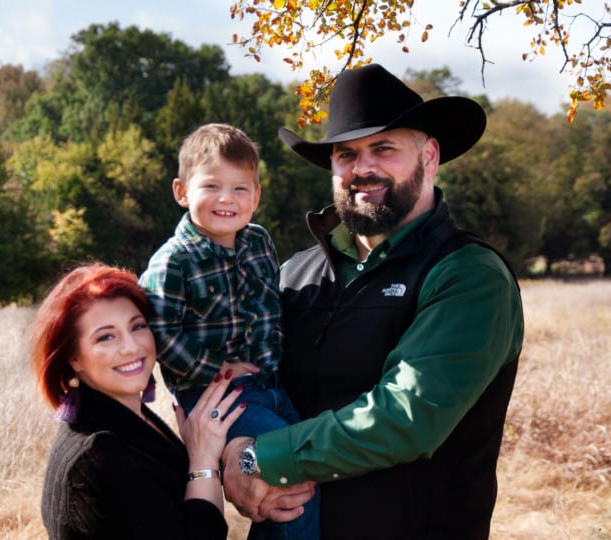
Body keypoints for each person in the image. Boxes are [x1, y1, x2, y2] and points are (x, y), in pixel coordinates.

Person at [220, 63, 525, 539]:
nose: (363, 169)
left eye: (384, 148)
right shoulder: (292, 275)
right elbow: (239, 378)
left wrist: (262, 459)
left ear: (429, 155)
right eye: (346, 154)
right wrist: (226, 452)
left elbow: (404, 417)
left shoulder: (467, 275)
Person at [139, 123, 319, 539]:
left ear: (256, 196)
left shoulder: (258, 242)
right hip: (217, 396)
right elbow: (160, 331)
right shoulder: (174, 261)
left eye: (241, 189)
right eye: (212, 186)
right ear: (182, 192)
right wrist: (217, 367)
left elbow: (272, 309)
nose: (227, 199)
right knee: (286, 461)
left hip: (271, 386)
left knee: (309, 466)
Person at [32, 263, 247, 540]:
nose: (132, 347)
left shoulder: (128, 416)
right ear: (73, 358)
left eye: (137, 326)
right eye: (106, 337)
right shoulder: (98, 455)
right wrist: (202, 460)